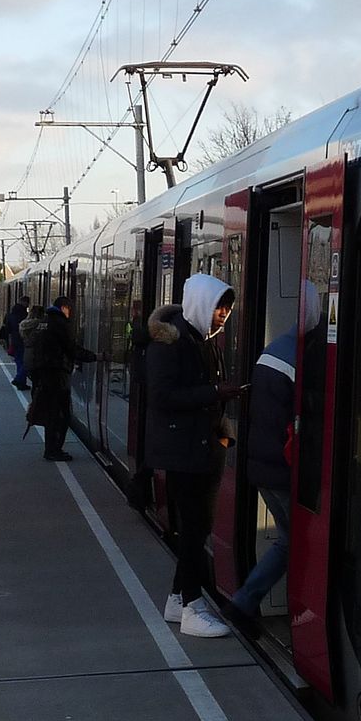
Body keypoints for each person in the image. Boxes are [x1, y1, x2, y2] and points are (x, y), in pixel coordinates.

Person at [145, 273, 241, 638]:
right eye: (219, 306)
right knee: (193, 529)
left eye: (227, 308)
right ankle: (192, 606)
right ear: (201, 304)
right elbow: (163, 398)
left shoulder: (203, 340)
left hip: (203, 448)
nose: (223, 314)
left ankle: (176, 599)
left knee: (198, 527)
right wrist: (215, 392)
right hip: (181, 450)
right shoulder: (168, 345)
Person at [228, 282, 316, 619]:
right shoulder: (299, 359)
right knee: (297, 542)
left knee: (289, 539)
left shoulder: (273, 349)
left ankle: (248, 601)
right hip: (283, 468)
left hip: (262, 465)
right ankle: (250, 601)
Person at [26, 294, 97, 462]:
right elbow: (71, 349)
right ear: (65, 308)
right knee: (60, 415)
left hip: (43, 374)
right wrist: (95, 356)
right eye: (70, 310)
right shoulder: (61, 324)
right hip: (57, 375)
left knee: (52, 412)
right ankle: (53, 450)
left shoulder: (43, 322)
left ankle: (51, 448)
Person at [0, 296, 30, 390]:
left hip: (13, 341)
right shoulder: (24, 315)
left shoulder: (10, 314)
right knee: (26, 362)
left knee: (19, 362)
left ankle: (21, 383)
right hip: (23, 341)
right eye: (27, 303)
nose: (28, 305)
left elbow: (7, 329)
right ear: (24, 303)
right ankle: (18, 379)